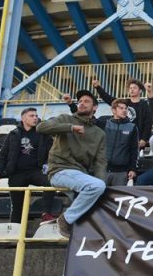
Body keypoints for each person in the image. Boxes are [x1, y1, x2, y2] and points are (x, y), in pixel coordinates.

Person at [37, 90, 107, 238]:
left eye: (86, 101)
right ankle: (65, 219)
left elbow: (100, 163)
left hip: (80, 175)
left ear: (95, 107)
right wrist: (70, 128)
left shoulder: (99, 133)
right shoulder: (65, 118)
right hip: (60, 170)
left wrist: (102, 185)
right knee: (95, 186)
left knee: (98, 190)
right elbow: (40, 127)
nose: (81, 103)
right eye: (80, 101)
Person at [0, 107, 57, 224]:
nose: (35, 118)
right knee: (17, 208)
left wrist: (48, 166)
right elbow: (3, 155)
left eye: (36, 116)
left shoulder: (43, 134)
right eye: (31, 116)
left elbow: (52, 152)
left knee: (50, 182)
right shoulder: (13, 134)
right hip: (16, 173)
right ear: (23, 118)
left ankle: (46, 213)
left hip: (35, 171)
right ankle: (16, 233)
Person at [90, 79, 152, 149]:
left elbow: (148, 123)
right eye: (130, 88)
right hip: (121, 137)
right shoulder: (124, 103)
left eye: (134, 88)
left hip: (136, 139)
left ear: (140, 91)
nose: (132, 90)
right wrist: (98, 87)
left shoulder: (144, 105)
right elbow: (108, 98)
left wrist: (143, 139)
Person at [104, 99, 139, 186]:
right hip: (102, 170)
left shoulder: (132, 127)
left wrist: (133, 169)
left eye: (125, 108)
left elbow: (134, 150)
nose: (124, 110)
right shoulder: (104, 124)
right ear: (113, 110)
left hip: (121, 172)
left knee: (118, 198)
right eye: (121, 108)